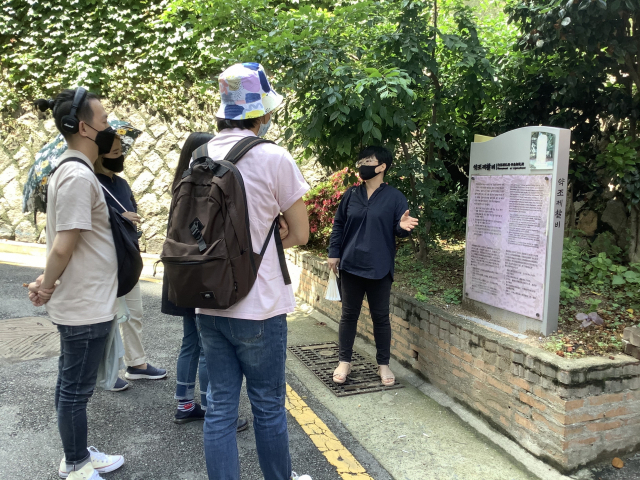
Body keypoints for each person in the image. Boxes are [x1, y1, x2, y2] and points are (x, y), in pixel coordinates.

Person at [194, 63, 312, 480]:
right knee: (267, 406)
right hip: (260, 305)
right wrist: (270, 235)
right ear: (261, 113)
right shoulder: (273, 157)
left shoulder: (200, 154)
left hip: (209, 300)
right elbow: (301, 233)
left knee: (220, 407)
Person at [29, 88, 124, 480]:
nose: (110, 127)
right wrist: (46, 285)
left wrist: (46, 280)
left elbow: (69, 244)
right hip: (85, 304)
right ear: (84, 128)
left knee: (71, 383)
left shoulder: (74, 171)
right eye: (104, 121)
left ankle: (77, 454)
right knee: (75, 390)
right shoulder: (77, 176)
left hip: (87, 299)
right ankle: (76, 465)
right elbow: (63, 245)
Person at [161, 131, 247, 431]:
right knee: (208, 346)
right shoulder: (206, 186)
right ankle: (213, 408)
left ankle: (185, 404)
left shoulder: (180, 185)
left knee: (190, 342)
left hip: (180, 272)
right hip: (204, 273)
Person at [327, 146, 418, 387]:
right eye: (361, 161)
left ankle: (383, 364)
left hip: (380, 267)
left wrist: (402, 227)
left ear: (382, 166)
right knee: (349, 315)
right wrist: (334, 253)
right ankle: (344, 362)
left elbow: (400, 229)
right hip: (351, 265)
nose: (362, 165)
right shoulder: (351, 194)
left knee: (381, 318)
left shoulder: (395, 197)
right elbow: (338, 224)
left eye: (368, 161)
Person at [95, 136, 167, 391]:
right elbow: (89, 222)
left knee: (134, 313)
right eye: (114, 153)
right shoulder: (90, 183)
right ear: (99, 155)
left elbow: (130, 210)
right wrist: (119, 217)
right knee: (107, 318)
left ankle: (136, 363)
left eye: (120, 151)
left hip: (128, 257)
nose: (119, 157)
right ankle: (107, 372)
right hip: (105, 261)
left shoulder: (122, 184)